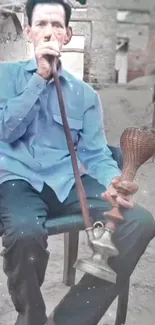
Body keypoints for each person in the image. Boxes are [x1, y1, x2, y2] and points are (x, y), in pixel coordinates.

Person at [0, 1, 154, 325]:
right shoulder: (6, 76)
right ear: (28, 31)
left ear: (68, 34)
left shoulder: (84, 94)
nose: (49, 33)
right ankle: (32, 317)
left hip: (67, 181)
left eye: (57, 26)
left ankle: (70, 318)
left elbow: (96, 153)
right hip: (16, 181)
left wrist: (114, 181)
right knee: (24, 233)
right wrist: (39, 79)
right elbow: (6, 131)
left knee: (140, 221)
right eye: (41, 24)